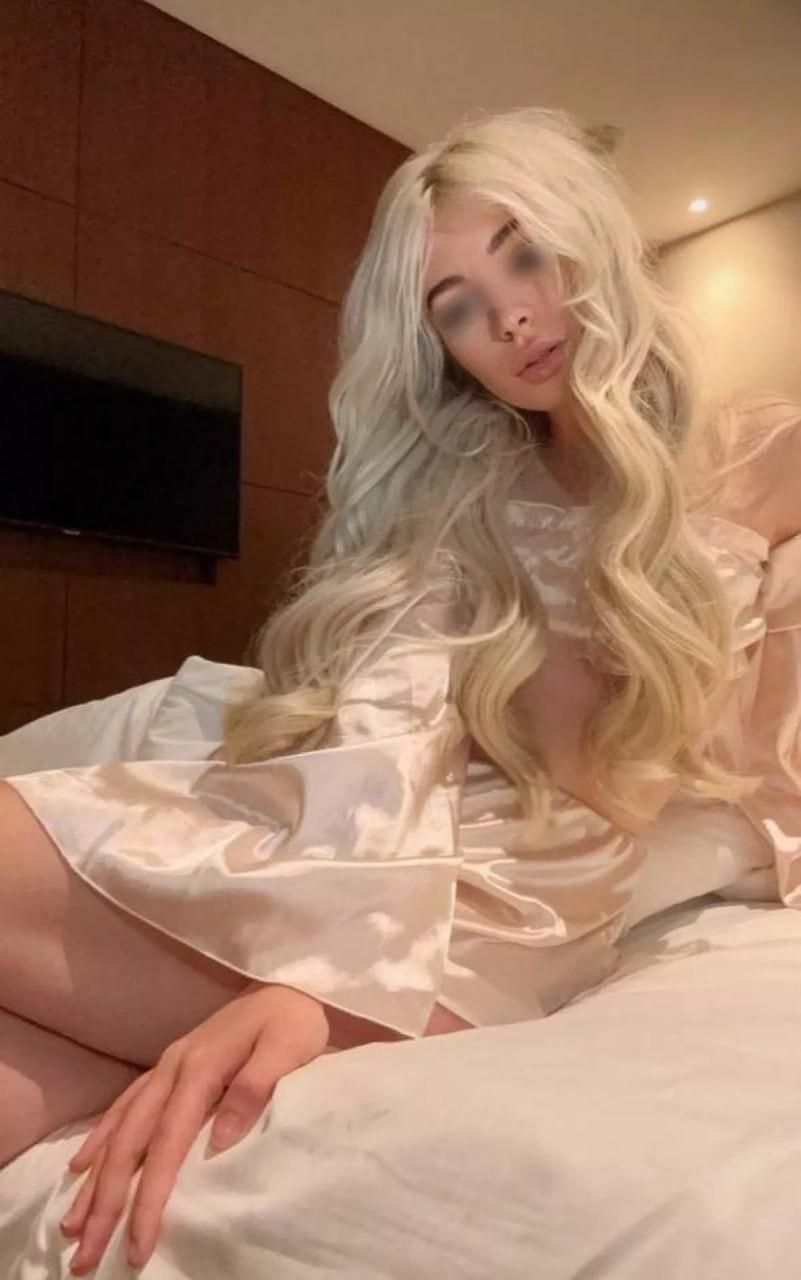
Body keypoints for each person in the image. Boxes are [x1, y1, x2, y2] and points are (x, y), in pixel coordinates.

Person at [1, 105, 799, 1274]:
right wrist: (328, 965)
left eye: (525, 253)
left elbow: (679, 767)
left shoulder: (756, 452)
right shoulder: (466, 491)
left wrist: (333, 989)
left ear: (588, 233)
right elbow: (391, 729)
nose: (509, 316)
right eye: (457, 306)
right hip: (363, 870)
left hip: (501, 919)